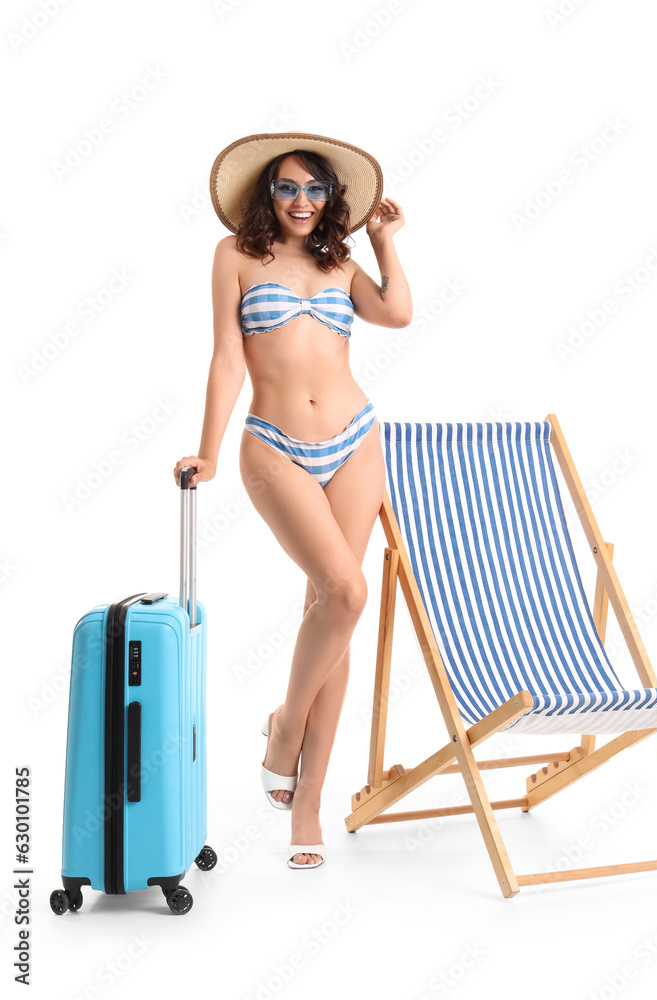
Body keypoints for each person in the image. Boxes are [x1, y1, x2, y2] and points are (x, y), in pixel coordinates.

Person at [173, 131, 411, 870]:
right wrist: (209, 450)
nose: (302, 201)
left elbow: (397, 313)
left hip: (357, 439)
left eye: (314, 189)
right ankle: (284, 731)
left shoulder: (339, 262)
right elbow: (225, 356)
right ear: (265, 196)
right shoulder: (235, 258)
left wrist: (385, 240)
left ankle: (305, 804)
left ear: (331, 199)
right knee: (345, 591)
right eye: (286, 188)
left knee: (331, 610)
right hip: (275, 444)